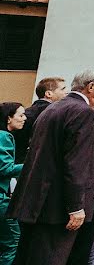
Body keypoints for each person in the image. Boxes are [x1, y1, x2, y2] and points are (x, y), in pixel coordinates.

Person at [9, 67, 94, 265]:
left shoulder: (54, 108)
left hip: (39, 201)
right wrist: (76, 207)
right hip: (58, 206)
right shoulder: (81, 111)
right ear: (91, 86)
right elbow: (76, 163)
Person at [13, 77, 66, 164]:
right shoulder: (54, 113)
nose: (66, 92)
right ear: (49, 93)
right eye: (62, 89)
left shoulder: (28, 111)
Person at [0, 103, 25, 265]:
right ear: (9, 118)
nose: (25, 118)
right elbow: (5, 168)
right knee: (13, 241)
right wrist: (32, 164)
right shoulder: (4, 136)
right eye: (20, 115)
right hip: (1, 199)